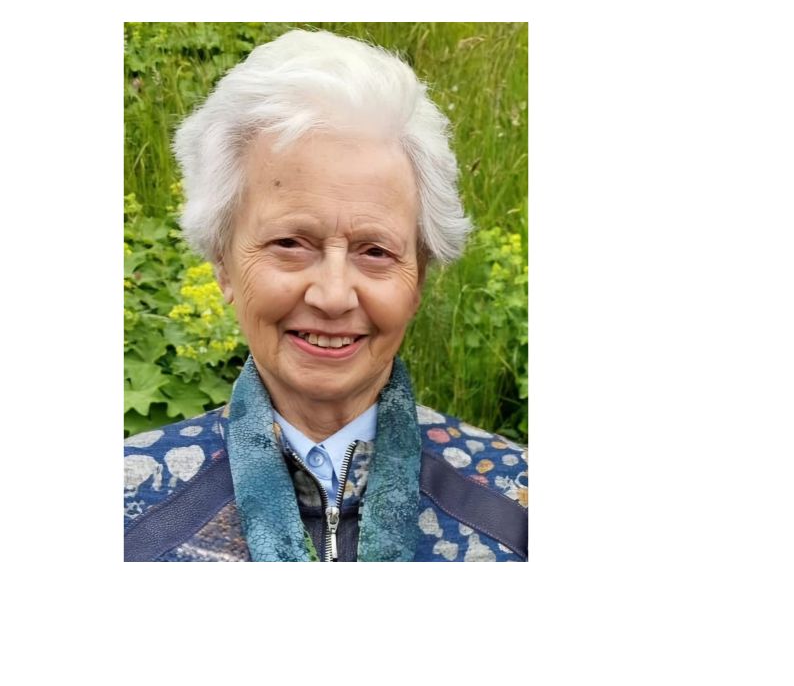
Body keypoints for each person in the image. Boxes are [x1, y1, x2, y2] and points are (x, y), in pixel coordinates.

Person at [124, 29, 528, 562]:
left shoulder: (519, 506)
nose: (334, 296)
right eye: (290, 244)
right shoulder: (128, 508)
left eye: (375, 251)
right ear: (223, 264)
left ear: (419, 279)